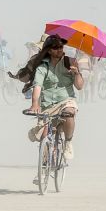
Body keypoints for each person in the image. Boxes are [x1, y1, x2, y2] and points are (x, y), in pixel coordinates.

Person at [25, 34, 83, 162]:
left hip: (66, 100)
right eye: (56, 47)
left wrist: (77, 73)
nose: (60, 49)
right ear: (49, 50)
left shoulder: (70, 62)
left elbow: (79, 86)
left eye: (61, 47)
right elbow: (38, 86)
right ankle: (44, 166)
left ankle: (68, 142)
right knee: (44, 135)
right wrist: (35, 104)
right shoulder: (42, 67)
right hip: (48, 104)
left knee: (69, 114)